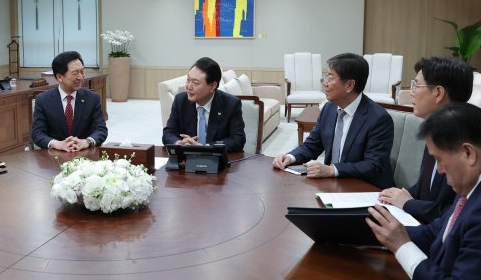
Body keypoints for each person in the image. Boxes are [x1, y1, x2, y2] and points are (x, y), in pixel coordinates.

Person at [342, 103, 481, 280]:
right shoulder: (470, 188)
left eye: (440, 159)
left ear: (468, 153)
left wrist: (401, 246)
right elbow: (435, 234)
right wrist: (375, 232)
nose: (439, 170)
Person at [272, 52, 395, 189]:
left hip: (367, 189)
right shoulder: (329, 109)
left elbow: (373, 164)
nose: (324, 83)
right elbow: (312, 145)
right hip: (334, 185)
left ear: (349, 85)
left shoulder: (378, 118)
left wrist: (332, 170)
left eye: (330, 78)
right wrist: (290, 157)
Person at [378, 57, 474, 222]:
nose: (412, 92)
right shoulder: (437, 129)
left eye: (416, 85)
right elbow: (425, 188)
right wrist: (394, 196)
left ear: (438, 93)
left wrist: (408, 203)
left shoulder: (463, 140)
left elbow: (453, 213)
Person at [162, 57, 246, 152]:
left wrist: (205, 147)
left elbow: (238, 140)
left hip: (216, 161)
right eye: (188, 80)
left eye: (195, 83)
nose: (189, 87)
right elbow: (168, 133)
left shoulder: (231, 104)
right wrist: (178, 143)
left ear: (212, 86)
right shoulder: (180, 101)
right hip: (186, 160)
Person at [31, 51, 108, 151]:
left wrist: (86, 142)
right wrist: (56, 144)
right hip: (54, 157)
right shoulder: (43, 100)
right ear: (59, 77)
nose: (80, 77)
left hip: (85, 156)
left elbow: (101, 130)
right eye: (75, 73)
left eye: (82, 71)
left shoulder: (92, 98)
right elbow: (37, 133)